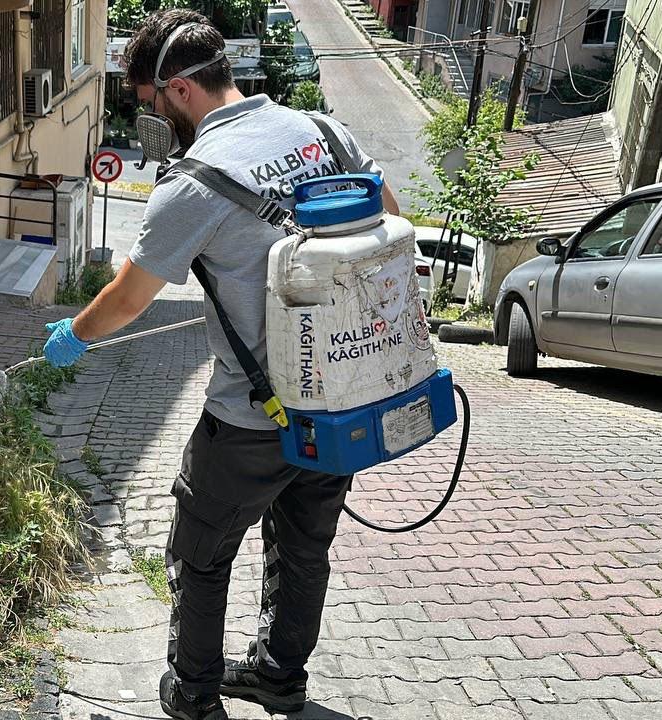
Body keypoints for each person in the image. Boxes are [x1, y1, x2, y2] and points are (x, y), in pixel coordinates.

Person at [41, 10, 400, 720]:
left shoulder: (197, 179)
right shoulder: (323, 131)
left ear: (178, 90)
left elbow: (128, 300)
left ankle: (196, 696)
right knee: (305, 546)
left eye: (149, 103)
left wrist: (75, 335)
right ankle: (277, 677)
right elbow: (390, 220)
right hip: (344, 397)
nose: (153, 119)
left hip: (251, 416)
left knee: (200, 552)